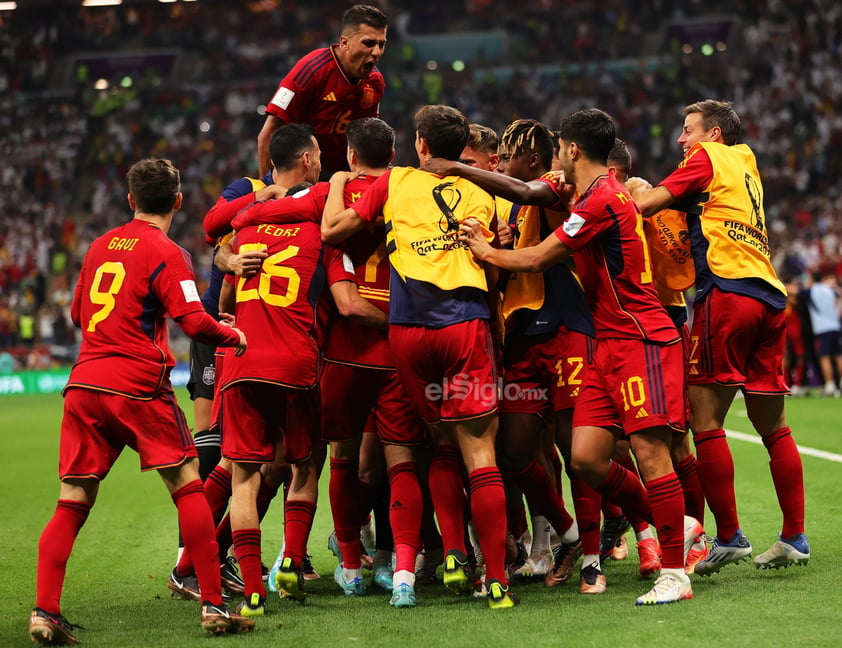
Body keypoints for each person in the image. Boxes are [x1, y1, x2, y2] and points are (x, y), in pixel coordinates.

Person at [442, 108, 694, 605]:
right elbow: (526, 190)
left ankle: (674, 573)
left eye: (559, 148)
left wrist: (484, 249)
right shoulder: (580, 191)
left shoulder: (602, 198)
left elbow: (536, 258)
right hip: (608, 342)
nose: (555, 157)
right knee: (585, 458)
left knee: (649, 453)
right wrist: (460, 169)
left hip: (641, 337)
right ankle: (678, 524)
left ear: (572, 150)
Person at [29, 159, 253, 646]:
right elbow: (193, 322)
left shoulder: (96, 247)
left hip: (85, 384)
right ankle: (214, 605)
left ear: (131, 201)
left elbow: (76, 314)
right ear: (177, 201)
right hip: (136, 384)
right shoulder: (167, 252)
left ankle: (45, 612)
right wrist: (231, 335)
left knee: (72, 500)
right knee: (188, 483)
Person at [322, 104, 518, 610]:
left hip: (408, 334)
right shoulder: (484, 191)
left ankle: (453, 551)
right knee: (481, 454)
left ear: (422, 146)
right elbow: (495, 270)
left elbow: (335, 231)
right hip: (464, 327)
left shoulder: (394, 182)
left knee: (438, 443)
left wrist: (340, 180)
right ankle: (494, 580)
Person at [232, 117, 427, 608]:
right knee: (403, 461)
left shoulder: (328, 205)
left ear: (351, 156)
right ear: (397, 151)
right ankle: (405, 569)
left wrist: (228, 252)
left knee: (334, 460)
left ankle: (350, 566)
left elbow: (248, 219)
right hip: (402, 352)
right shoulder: (408, 192)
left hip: (342, 354)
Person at [629, 99, 810, 573]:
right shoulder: (746, 162)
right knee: (775, 427)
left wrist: (616, 188)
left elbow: (645, 203)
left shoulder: (706, 159)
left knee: (702, 421)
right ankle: (794, 536)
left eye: (687, 131)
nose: (680, 141)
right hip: (770, 296)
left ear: (712, 135)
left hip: (726, 294)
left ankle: (728, 536)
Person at [169, 124, 323, 602]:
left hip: (240, 341)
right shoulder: (274, 200)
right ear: (304, 158)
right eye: (318, 154)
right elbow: (214, 227)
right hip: (259, 343)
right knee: (236, 457)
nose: (322, 162)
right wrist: (227, 257)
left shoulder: (252, 219)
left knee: (248, 466)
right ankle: (197, 559)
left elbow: (223, 245)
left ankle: (220, 566)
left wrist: (233, 252)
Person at [256, 4, 388, 178]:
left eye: (381, 44)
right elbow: (268, 132)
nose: (377, 52)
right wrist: (267, 186)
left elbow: (367, 137)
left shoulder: (375, 81)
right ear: (344, 42)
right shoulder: (310, 71)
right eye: (369, 43)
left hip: (344, 176)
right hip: (304, 176)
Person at [804, 268, 842, 396]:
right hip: (835, 326)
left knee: (824, 358)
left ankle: (830, 386)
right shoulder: (829, 290)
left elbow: (794, 291)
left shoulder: (812, 291)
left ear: (812, 279)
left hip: (822, 328)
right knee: (838, 356)